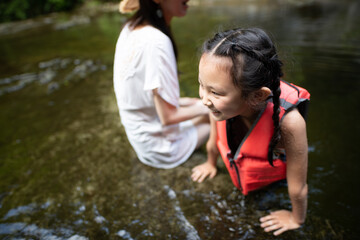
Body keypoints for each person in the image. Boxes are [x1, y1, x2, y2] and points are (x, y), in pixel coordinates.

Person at [191, 27, 310, 235]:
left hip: (272, 182)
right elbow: (214, 137)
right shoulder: (218, 104)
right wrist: (210, 163)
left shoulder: (290, 122)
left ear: (257, 96)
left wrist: (296, 218)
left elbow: (298, 186)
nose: (204, 98)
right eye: (202, 85)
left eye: (214, 92)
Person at [113, 0, 210, 169]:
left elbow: (144, 97)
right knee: (226, 111)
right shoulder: (157, 41)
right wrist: (208, 106)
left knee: (203, 105)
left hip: (141, 141)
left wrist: (191, 102)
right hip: (162, 148)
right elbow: (169, 118)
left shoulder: (129, 28)